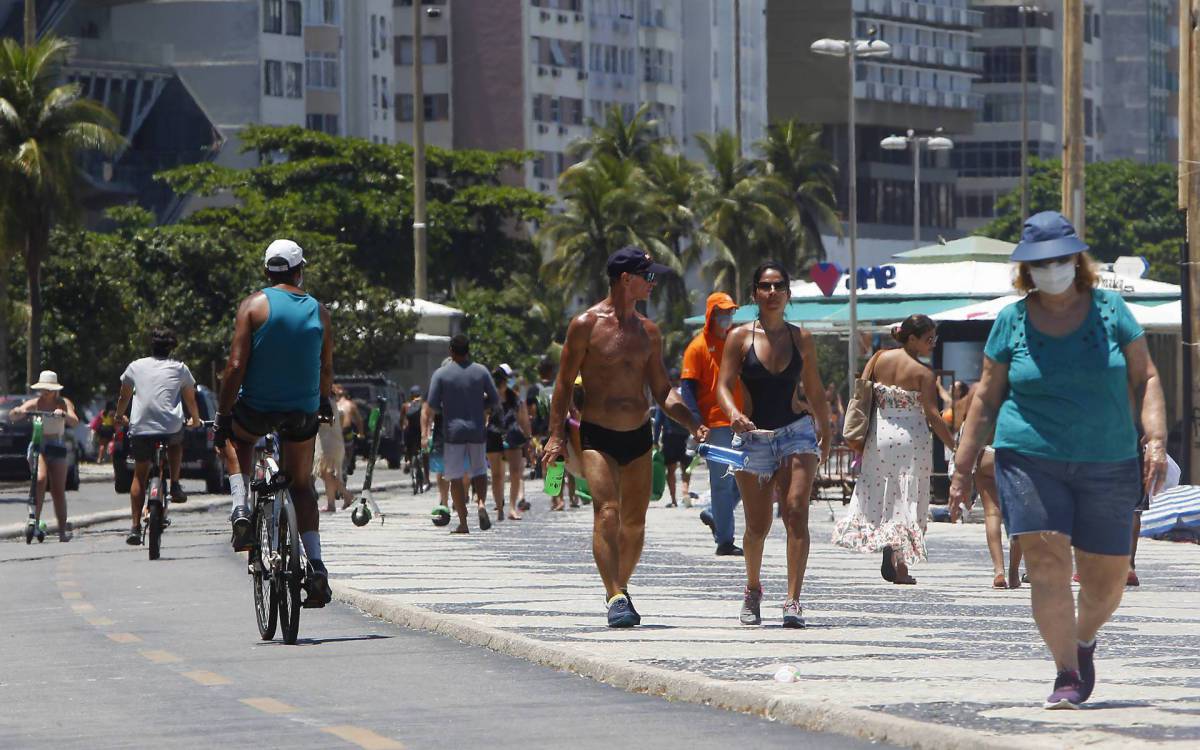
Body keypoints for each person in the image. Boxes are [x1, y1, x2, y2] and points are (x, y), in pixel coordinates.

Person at [950, 211, 1167, 709]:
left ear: (1077, 260)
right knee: (1046, 561)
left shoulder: (1112, 312)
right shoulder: (1012, 321)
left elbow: (1147, 377)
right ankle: (1066, 670)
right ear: (1027, 269)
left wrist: (1154, 439)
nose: (1053, 268)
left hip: (1108, 460)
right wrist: (961, 468)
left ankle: (1083, 639)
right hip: (1030, 457)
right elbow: (985, 397)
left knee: (1107, 579)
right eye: (1042, 261)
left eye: (1061, 258)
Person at [542, 247, 706, 628]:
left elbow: (662, 389)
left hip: (639, 436)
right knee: (607, 513)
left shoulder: (649, 331)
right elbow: (564, 384)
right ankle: (614, 594)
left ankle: (621, 587)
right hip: (597, 435)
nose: (653, 282)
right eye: (647, 276)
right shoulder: (585, 324)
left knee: (634, 524)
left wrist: (690, 421)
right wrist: (554, 437)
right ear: (625, 279)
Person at [216, 239, 335, 608]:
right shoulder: (320, 311)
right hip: (303, 410)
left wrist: (222, 414)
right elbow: (325, 368)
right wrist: (324, 401)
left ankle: (240, 510)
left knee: (234, 441)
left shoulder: (253, 306)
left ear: (267, 272)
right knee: (301, 486)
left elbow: (235, 366)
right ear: (300, 271)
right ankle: (315, 565)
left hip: (257, 409)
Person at [715, 262, 831, 629]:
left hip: (796, 430)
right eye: (765, 286)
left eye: (779, 286)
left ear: (788, 294)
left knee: (796, 510)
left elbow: (813, 388)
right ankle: (752, 588)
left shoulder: (802, 338)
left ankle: (793, 600)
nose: (772, 292)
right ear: (755, 293)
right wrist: (732, 413)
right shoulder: (739, 337)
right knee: (758, 525)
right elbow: (722, 386)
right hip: (753, 436)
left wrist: (825, 428)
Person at [832, 314, 957, 585]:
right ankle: (900, 565)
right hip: (912, 437)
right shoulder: (923, 373)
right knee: (907, 496)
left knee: (882, 493)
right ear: (912, 338)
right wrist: (954, 446)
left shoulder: (879, 358)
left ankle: (887, 540)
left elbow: (860, 393)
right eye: (929, 339)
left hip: (880, 434)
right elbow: (934, 416)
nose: (933, 343)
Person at [114, 328, 203, 545]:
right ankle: (174, 483)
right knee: (176, 441)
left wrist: (119, 416)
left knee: (139, 474)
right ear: (171, 348)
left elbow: (124, 396)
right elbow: (190, 399)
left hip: (140, 427)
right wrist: (196, 419)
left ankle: (134, 527)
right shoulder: (180, 368)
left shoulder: (135, 366)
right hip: (170, 426)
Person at [682, 292, 744, 555]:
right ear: (710, 315)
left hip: (741, 422)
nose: (726, 317)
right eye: (721, 312)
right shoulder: (697, 347)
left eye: (729, 312)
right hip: (715, 424)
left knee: (750, 477)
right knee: (720, 482)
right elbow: (687, 389)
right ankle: (725, 541)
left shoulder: (736, 342)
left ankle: (714, 512)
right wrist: (696, 424)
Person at [427, 334, 500, 533]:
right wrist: (478, 406)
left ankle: (464, 523)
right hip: (477, 429)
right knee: (479, 471)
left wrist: (449, 408)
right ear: (469, 350)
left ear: (451, 350)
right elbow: (494, 399)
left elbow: (433, 403)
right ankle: (482, 504)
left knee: (455, 477)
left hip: (453, 432)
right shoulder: (481, 371)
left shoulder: (441, 374)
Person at [11, 371, 79, 542]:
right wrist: (18, 411)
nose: (46, 392)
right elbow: (16, 413)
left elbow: (75, 421)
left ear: (55, 390)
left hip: (56, 445)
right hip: (39, 444)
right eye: (43, 389)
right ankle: (34, 519)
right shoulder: (36, 403)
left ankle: (62, 531)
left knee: (58, 489)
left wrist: (63, 414)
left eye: (49, 389)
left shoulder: (63, 403)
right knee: (40, 479)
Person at [486, 363, 531, 520]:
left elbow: (523, 419)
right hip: (493, 436)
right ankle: (499, 507)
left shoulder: (515, 398)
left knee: (515, 473)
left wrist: (528, 438)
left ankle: (512, 507)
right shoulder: (488, 398)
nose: (504, 384)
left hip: (513, 436)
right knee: (497, 475)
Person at [653, 368, 691, 507]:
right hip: (686, 435)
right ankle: (685, 492)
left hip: (669, 437)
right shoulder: (686, 395)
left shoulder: (666, 396)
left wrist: (655, 440)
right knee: (685, 467)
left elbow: (657, 422)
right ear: (680, 380)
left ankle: (674, 499)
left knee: (671, 469)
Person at [313, 393, 349, 513]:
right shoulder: (332, 404)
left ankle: (347, 496)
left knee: (325, 473)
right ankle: (331, 504)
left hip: (327, 444)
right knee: (326, 473)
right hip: (335, 442)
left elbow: (320, 421)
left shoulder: (322, 404)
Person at [333, 384, 364, 479]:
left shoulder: (333, 404)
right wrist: (361, 433)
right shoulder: (350, 404)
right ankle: (348, 464)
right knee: (349, 448)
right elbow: (359, 421)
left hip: (335, 432)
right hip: (346, 432)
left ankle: (342, 466)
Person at [402, 385, 429, 489]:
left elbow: (402, 421)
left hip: (410, 432)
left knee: (407, 447)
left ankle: (407, 461)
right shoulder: (423, 405)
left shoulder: (406, 406)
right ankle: (426, 478)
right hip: (420, 432)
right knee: (425, 453)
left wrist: (403, 428)